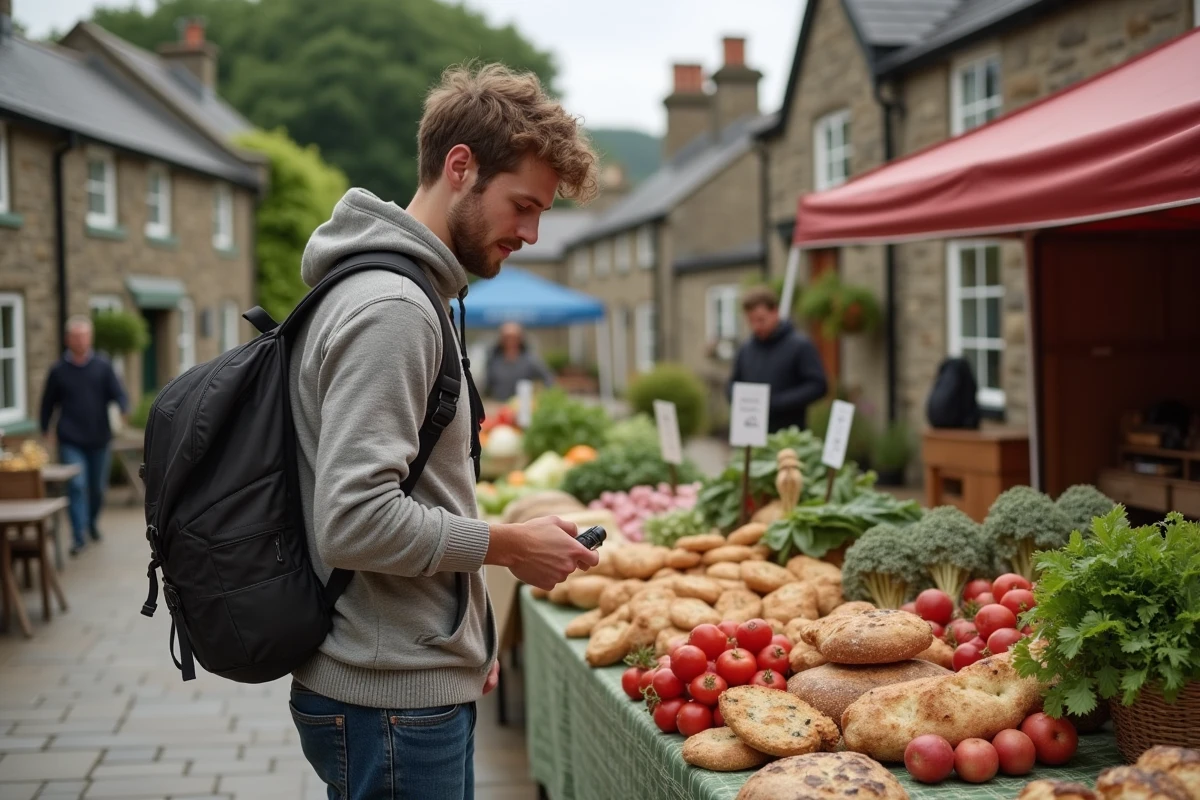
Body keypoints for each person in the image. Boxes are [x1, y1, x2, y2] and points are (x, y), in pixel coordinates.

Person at [286, 63, 600, 800]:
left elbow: (427, 489)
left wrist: (466, 636)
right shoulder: (392, 308)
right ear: (461, 167)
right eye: (523, 205)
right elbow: (355, 520)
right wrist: (511, 546)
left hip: (403, 678)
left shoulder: (409, 290)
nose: (530, 232)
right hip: (387, 698)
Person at [38, 315, 129, 555]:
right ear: (68, 339)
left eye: (84, 336)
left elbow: (118, 392)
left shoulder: (103, 366)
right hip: (70, 438)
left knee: (97, 488)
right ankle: (78, 535)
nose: (80, 341)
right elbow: (47, 402)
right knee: (77, 485)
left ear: (90, 338)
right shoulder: (58, 370)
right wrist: (45, 427)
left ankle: (91, 524)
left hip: (99, 437)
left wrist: (123, 406)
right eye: (76, 336)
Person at [727, 286, 829, 433]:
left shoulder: (800, 345)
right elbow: (733, 383)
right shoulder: (745, 349)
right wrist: (738, 397)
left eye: (761, 320)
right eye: (751, 321)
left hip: (789, 436)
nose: (756, 326)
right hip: (750, 434)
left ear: (775, 312)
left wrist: (776, 402)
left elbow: (818, 385)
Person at [484, 321, 555, 401]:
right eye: (507, 337)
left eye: (514, 337)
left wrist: (542, 397)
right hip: (499, 405)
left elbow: (548, 378)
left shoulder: (530, 359)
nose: (510, 341)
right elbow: (486, 384)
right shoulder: (493, 360)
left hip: (523, 405)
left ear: (520, 338)